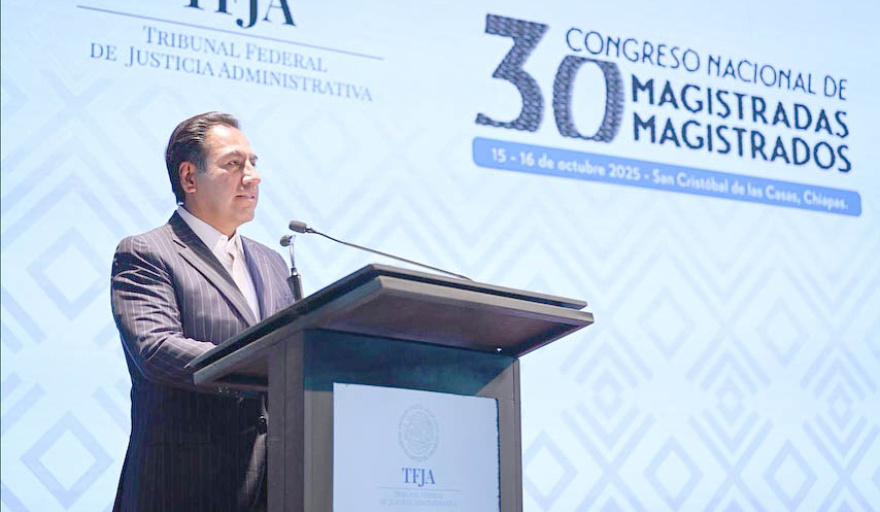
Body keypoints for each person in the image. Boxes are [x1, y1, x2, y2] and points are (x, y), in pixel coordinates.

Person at [110, 112, 295, 511]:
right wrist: (268, 364)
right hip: (183, 487)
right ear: (189, 178)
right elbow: (156, 351)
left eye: (253, 163)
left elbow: (298, 350)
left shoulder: (272, 263)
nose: (253, 177)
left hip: (275, 488)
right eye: (233, 164)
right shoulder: (147, 253)